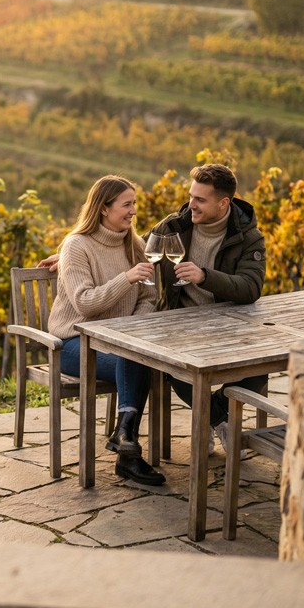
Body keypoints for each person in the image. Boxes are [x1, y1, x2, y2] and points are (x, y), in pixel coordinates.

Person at [40, 164, 267, 454]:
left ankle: (210, 416)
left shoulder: (248, 237)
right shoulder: (176, 225)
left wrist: (205, 276)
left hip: (228, 324)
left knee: (259, 367)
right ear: (104, 208)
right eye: (191, 196)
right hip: (88, 338)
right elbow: (134, 254)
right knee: (158, 361)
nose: (190, 205)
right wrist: (70, 253)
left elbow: (250, 287)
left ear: (224, 203)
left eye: (200, 199)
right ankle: (130, 441)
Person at [44, 175, 165, 486]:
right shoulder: (76, 246)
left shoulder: (135, 244)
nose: (133, 211)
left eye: (134, 204)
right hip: (74, 343)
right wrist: (125, 278)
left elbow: (150, 297)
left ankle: (125, 439)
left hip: (118, 342)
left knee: (137, 354)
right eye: (127, 205)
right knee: (136, 358)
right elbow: (84, 303)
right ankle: (128, 452)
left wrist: (130, 327)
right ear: (104, 209)